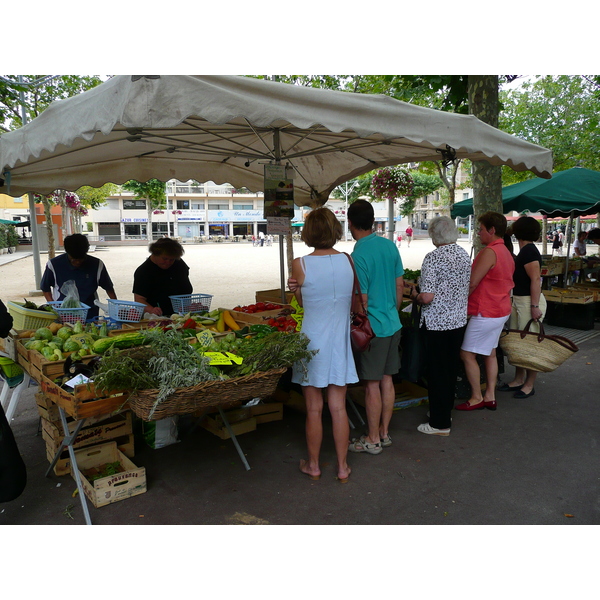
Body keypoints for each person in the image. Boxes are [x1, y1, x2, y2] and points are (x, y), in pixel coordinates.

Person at [289, 207, 356, 483]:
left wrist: (295, 291)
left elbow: (304, 305)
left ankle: (314, 465)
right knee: (338, 407)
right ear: (335, 230)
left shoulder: (300, 263)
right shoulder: (348, 261)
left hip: (311, 341)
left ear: (308, 233)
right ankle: (342, 467)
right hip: (339, 341)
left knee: (314, 408)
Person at [346, 199, 404, 454]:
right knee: (387, 380)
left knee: (371, 384)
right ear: (372, 221)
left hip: (374, 328)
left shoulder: (358, 254)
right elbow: (400, 286)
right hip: (393, 323)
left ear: (350, 223)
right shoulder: (390, 246)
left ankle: (371, 439)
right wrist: (393, 309)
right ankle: (384, 432)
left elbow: (362, 300)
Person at [409, 217, 470, 435]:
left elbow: (427, 297)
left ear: (434, 235)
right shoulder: (463, 254)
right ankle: (443, 410)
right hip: (458, 322)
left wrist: (414, 294)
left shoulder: (433, 258)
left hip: (437, 324)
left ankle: (440, 423)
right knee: (449, 370)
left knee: (436, 373)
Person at [457, 212, 515, 412]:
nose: (478, 233)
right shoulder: (506, 251)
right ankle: (490, 395)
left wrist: (457, 303)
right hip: (500, 309)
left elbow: (473, 282)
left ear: (492, 230)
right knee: (489, 353)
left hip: (486, 310)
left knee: (466, 354)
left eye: (481, 229)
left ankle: (476, 397)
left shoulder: (490, 252)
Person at [497, 216, 546, 399]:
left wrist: (534, 306)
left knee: (530, 344)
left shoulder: (530, 252)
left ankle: (529, 383)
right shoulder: (525, 250)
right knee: (519, 343)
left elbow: (535, 280)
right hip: (519, 301)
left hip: (528, 302)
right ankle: (518, 379)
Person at [40, 233, 116, 319]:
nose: (77, 262)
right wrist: (54, 308)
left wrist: (116, 308)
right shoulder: (54, 265)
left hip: (90, 313)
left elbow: (109, 288)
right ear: (67, 253)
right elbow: (45, 288)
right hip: (63, 313)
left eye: (81, 259)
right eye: (73, 259)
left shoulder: (97, 265)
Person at [133, 237, 192, 317]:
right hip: (158, 316)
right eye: (164, 259)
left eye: (172, 259)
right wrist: (152, 310)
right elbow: (139, 299)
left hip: (182, 312)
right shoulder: (143, 271)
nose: (168, 262)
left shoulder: (178, 263)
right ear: (155, 254)